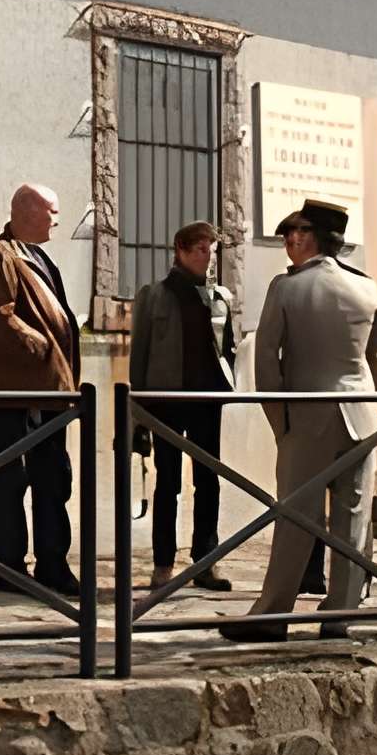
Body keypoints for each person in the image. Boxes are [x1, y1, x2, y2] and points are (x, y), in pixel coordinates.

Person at [222, 200, 377, 643]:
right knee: (353, 519)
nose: (288, 243)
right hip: (361, 414)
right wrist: (374, 409)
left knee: (295, 517)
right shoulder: (366, 287)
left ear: (308, 238)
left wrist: (281, 423)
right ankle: (340, 614)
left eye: (294, 234)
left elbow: (266, 361)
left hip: (307, 416)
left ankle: (273, 613)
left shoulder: (286, 287)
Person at [0, 182, 82, 597]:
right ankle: (10, 569)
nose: (57, 219)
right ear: (27, 210)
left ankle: (53, 565)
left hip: (47, 392)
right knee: (11, 482)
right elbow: (3, 321)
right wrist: (44, 346)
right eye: (51, 210)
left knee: (54, 479)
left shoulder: (36, 257)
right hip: (15, 394)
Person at [126, 219, 239, 591]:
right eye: (200, 249)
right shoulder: (154, 295)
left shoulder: (218, 296)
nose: (207, 257)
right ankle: (163, 564)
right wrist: (137, 412)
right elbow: (139, 354)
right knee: (168, 482)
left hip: (207, 400)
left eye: (211, 250)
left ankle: (206, 561)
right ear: (181, 250)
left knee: (209, 481)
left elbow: (229, 349)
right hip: (166, 401)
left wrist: (228, 385)